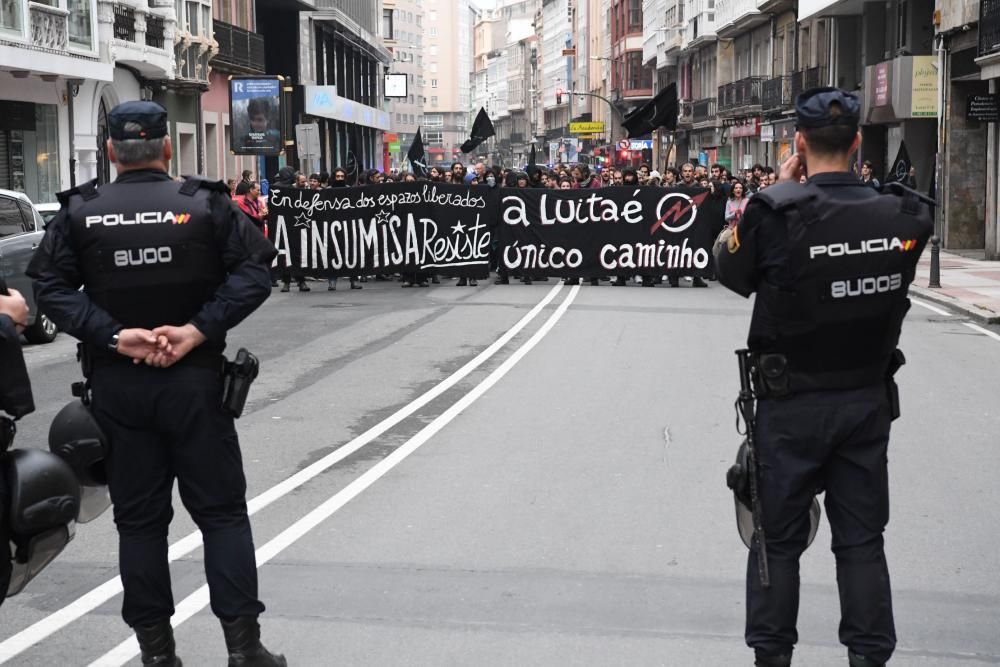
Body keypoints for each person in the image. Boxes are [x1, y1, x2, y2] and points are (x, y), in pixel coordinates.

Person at [26, 101, 286, 667]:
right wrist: (195, 331)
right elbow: (255, 273)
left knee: (140, 524)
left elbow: (48, 287)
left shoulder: (80, 212)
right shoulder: (206, 204)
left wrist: (116, 337)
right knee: (221, 516)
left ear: (113, 152)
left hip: (120, 388)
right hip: (195, 384)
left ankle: (157, 656)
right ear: (167, 148)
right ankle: (244, 651)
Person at [713, 87, 932, 667]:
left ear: (799, 144)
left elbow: (728, 266)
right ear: (859, 141)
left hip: (789, 407)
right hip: (865, 403)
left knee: (777, 543)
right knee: (861, 543)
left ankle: (773, 659)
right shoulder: (905, 213)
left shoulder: (774, 213)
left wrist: (781, 186)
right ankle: (867, 658)